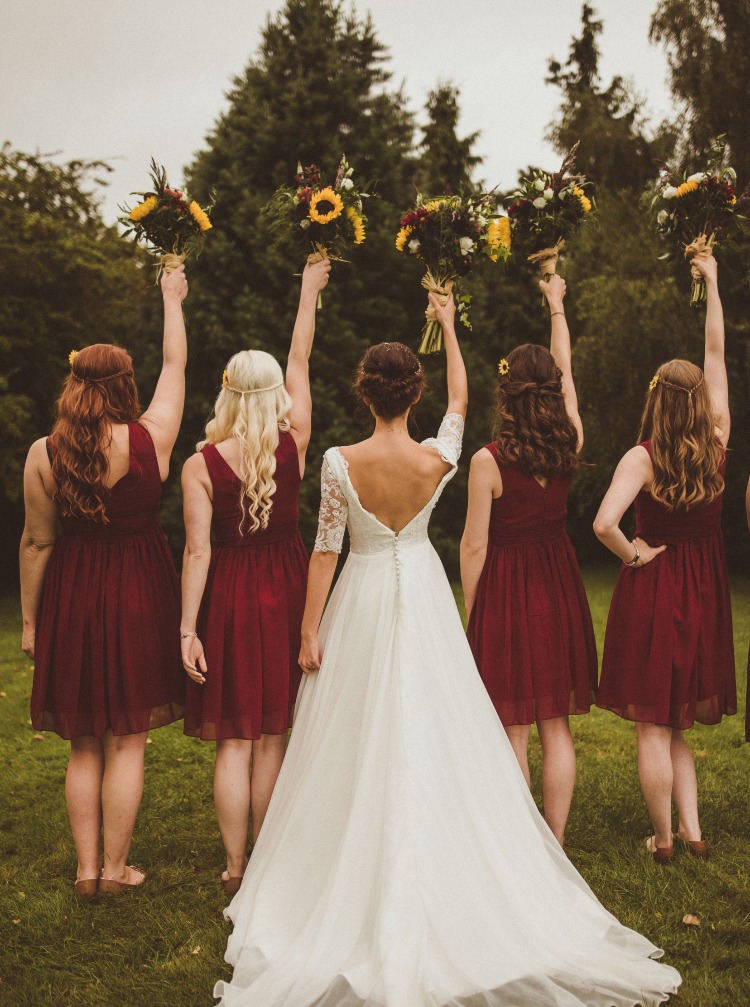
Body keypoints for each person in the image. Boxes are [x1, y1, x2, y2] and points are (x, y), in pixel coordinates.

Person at [213, 294, 680, 1007]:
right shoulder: (440, 457)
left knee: (356, 729)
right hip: (426, 595)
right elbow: (461, 396)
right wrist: (451, 325)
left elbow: (323, 551)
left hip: (361, 599)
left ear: (365, 392)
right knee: (437, 723)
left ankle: (345, 860)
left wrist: (310, 630)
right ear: (416, 392)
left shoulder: (339, 462)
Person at [20, 266, 189, 899]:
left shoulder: (44, 452)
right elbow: (176, 367)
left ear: (72, 383)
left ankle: (87, 871)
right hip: (140, 588)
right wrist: (172, 299)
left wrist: (33, 622)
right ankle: (118, 869)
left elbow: (37, 541)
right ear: (125, 386)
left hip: (72, 590)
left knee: (85, 742)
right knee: (128, 739)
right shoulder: (153, 437)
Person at [180, 259, 330, 895]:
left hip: (232, 597)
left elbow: (196, 553)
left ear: (225, 393)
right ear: (276, 396)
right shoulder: (294, 439)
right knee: (271, 734)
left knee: (234, 740)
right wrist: (307, 292)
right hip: (289, 587)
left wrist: (188, 628)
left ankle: (237, 865)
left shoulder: (200, 463)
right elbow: (301, 356)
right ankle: (266, 861)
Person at [594, 254, 735, 864]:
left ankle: (664, 840)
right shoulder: (719, 440)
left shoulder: (642, 457)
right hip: (704, 588)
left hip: (657, 585)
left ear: (656, 402)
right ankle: (695, 831)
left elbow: (603, 523)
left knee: (652, 724)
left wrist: (633, 553)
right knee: (675, 721)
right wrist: (713, 286)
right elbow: (716, 357)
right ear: (699, 402)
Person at [461, 274, 596, 847]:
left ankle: (525, 845)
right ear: (552, 391)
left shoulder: (487, 461)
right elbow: (569, 382)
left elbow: (473, 547)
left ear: (507, 391)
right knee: (555, 724)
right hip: (559, 582)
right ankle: (557, 838)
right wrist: (557, 308)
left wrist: (477, 611)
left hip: (510, 590)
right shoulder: (571, 442)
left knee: (514, 725)